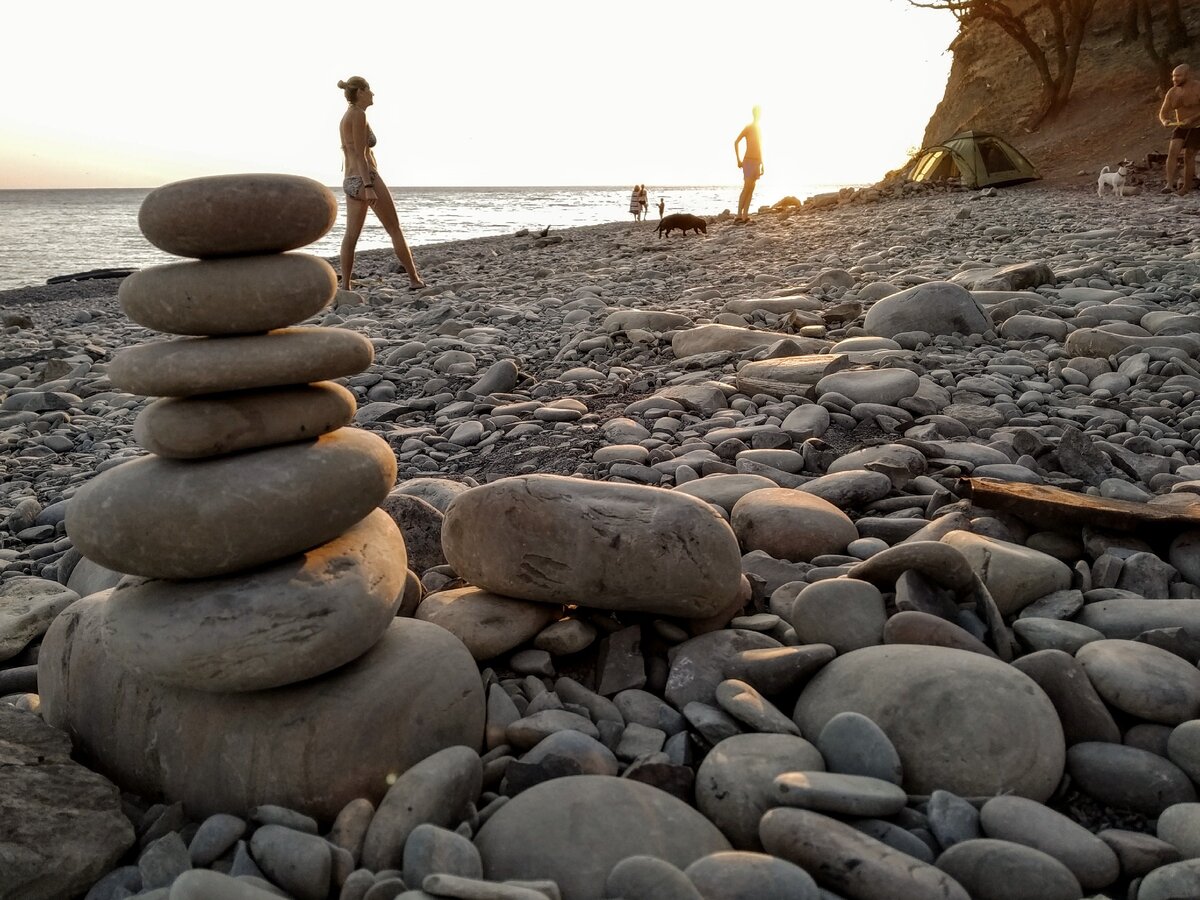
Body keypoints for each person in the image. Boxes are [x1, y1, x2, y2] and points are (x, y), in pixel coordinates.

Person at [337, 76, 425, 291]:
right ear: (360, 92)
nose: (373, 94)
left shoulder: (347, 116)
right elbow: (360, 154)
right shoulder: (358, 115)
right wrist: (368, 186)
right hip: (366, 178)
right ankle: (414, 280)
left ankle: (346, 286)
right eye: (369, 90)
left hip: (350, 181)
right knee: (394, 229)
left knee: (351, 235)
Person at [1159, 64, 1200, 196]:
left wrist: (1192, 118)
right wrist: (1164, 121)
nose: (1174, 79)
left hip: (1197, 126)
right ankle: (1169, 184)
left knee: (1189, 155)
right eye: (1173, 76)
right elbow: (1163, 112)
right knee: (1172, 152)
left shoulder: (1198, 87)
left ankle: (1185, 188)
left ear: (1187, 75)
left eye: (1178, 76)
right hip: (1181, 126)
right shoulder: (1172, 92)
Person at [734, 105, 764, 222]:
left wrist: (762, 162)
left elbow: (760, 146)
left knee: (751, 188)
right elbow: (736, 142)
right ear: (754, 114)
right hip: (748, 160)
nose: (758, 115)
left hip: (757, 161)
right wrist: (738, 160)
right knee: (746, 187)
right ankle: (738, 215)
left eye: (760, 113)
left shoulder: (759, 128)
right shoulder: (749, 127)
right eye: (757, 113)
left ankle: (745, 215)